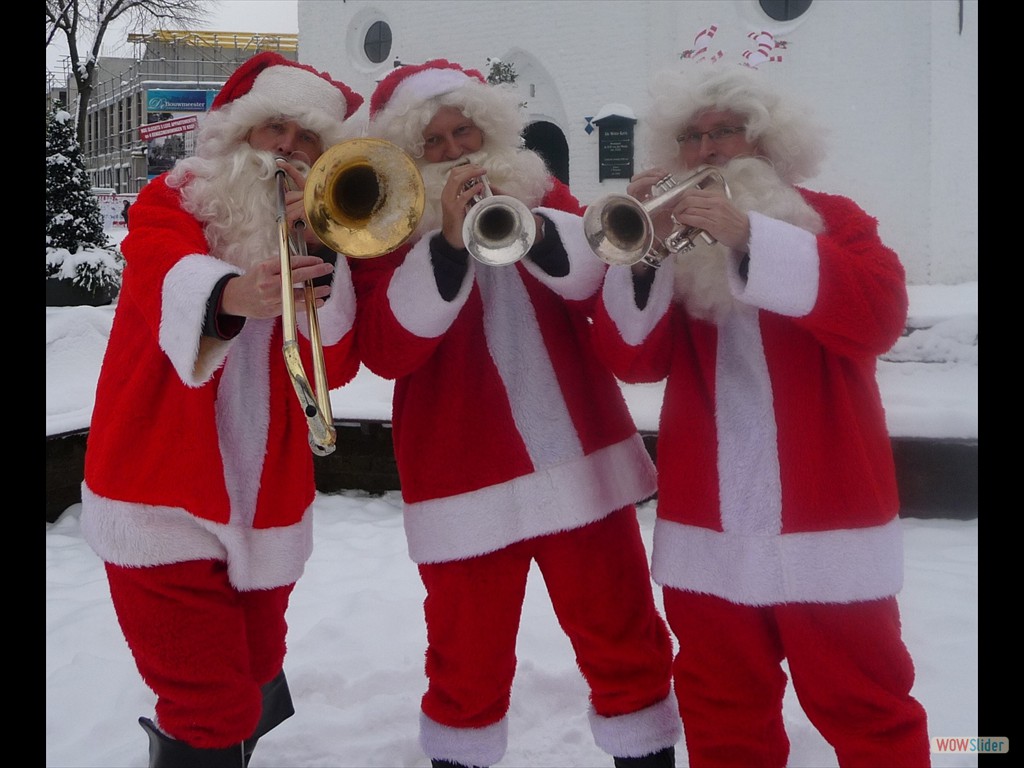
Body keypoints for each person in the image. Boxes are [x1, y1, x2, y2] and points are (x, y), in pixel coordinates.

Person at [590, 64, 932, 768]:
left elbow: (878, 318)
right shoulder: (669, 240)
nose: (710, 149)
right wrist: (642, 253)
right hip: (708, 528)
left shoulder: (833, 218)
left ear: (769, 141)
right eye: (692, 136)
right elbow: (630, 359)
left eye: (727, 131)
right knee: (720, 710)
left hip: (830, 521)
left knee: (869, 706)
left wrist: (751, 237)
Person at [352, 59, 681, 768]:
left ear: (488, 128)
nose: (452, 150)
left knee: (623, 635)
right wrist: (444, 242)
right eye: (432, 142)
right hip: (460, 478)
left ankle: (646, 753)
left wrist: (525, 219)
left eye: (462, 130)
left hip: (580, 458)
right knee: (465, 660)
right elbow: (387, 350)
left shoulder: (535, 186)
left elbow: (597, 272)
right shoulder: (383, 229)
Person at [80, 51, 364, 767]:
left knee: (257, 664)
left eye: (307, 141)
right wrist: (234, 296)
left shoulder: (321, 231)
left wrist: (323, 245)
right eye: (276, 130)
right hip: (158, 494)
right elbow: (158, 268)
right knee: (210, 703)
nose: (289, 151)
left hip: (264, 500)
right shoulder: (175, 200)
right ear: (238, 134)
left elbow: (340, 361)